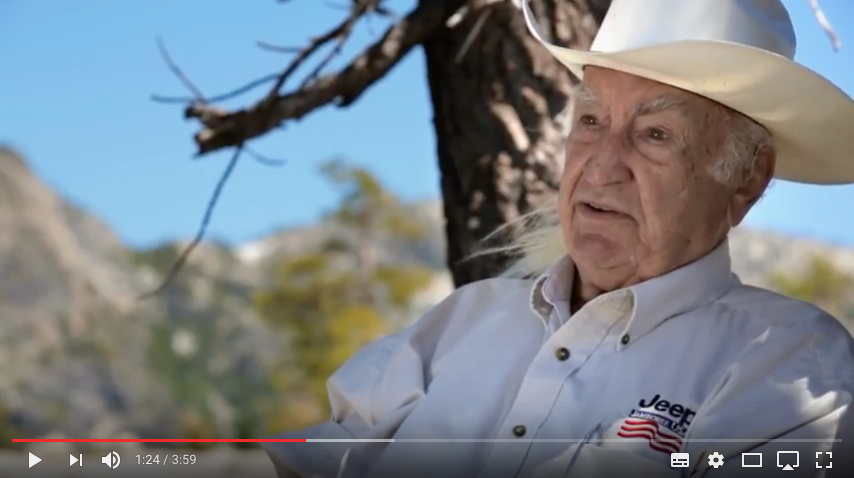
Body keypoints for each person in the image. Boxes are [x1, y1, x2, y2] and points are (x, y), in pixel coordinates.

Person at [263, 0, 854, 477]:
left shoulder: (787, 360)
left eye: (653, 134)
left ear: (746, 177)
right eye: (591, 122)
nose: (600, 167)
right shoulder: (460, 324)